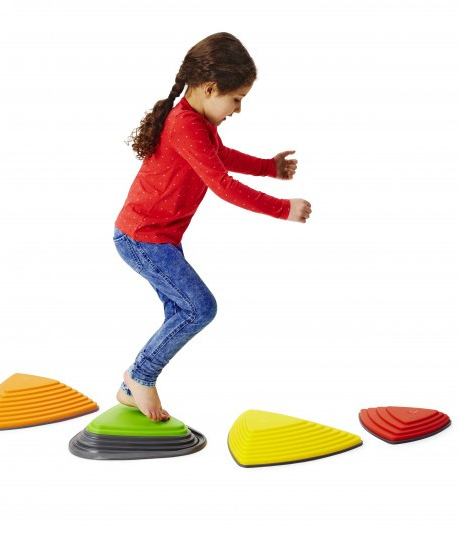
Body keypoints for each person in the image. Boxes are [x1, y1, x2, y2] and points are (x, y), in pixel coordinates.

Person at [112, 32, 312, 422]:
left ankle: (131, 387)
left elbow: (220, 156)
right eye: (236, 99)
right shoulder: (185, 125)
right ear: (209, 89)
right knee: (200, 308)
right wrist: (282, 209)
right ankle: (140, 376)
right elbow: (222, 184)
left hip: (157, 239)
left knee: (182, 312)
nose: (238, 109)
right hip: (142, 238)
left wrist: (269, 168)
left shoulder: (196, 123)